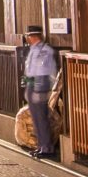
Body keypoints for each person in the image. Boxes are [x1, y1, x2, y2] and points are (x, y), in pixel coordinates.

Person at [21, 27, 61, 159]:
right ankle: (41, 145)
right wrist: (27, 85)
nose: (28, 39)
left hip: (40, 84)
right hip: (33, 84)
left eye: (29, 36)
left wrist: (38, 89)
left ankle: (47, 147)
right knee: (36, 118)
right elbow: (30, 70)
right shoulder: (34, 49)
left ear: (34, 36)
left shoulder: (45, 51)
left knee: (41, 118)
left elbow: (44, 71)